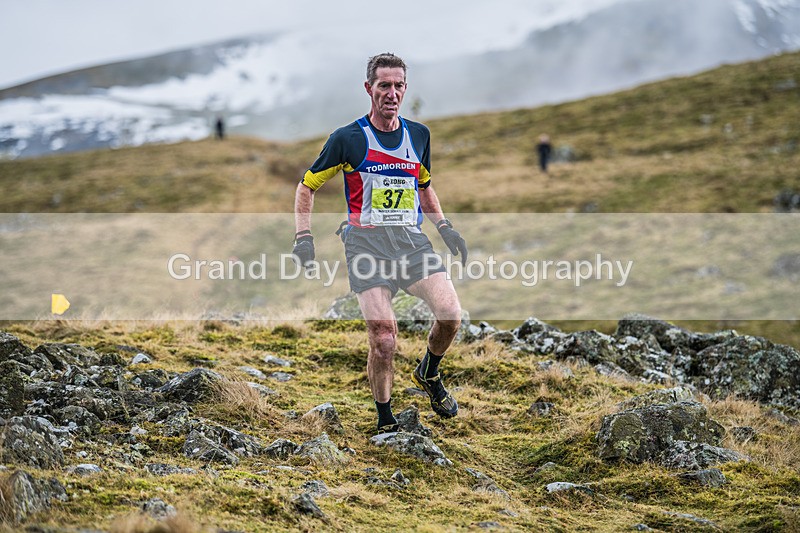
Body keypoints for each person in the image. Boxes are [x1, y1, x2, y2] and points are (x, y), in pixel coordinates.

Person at [292, 53, 468, 434]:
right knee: (384, 338)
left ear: (406, 88)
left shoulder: (418, 135)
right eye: (383, 85)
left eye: (398, 85)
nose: (391, 93)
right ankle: (386, 419)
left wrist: (446, 227)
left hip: (411, 243)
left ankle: (429, 373)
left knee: (451, 315)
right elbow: (308, 186)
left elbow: (423, 186)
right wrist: (303, 237)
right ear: (369, 88)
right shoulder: (348, 139)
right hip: (366, 247)